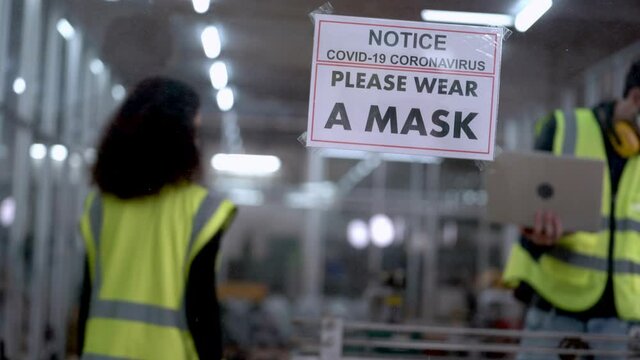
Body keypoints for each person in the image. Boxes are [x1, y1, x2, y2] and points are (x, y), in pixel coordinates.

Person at [77, 77, 237, 359]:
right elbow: (201, 307)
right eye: (194, 132)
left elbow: (88, 296)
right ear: (179, 137)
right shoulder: (200, 209)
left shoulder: (100, 206)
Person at [503, 59, 640, 360]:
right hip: (556, 313)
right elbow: (526, 213)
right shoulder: (566, 128)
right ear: (636, 98)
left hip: (625, 324)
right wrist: (535, 234)